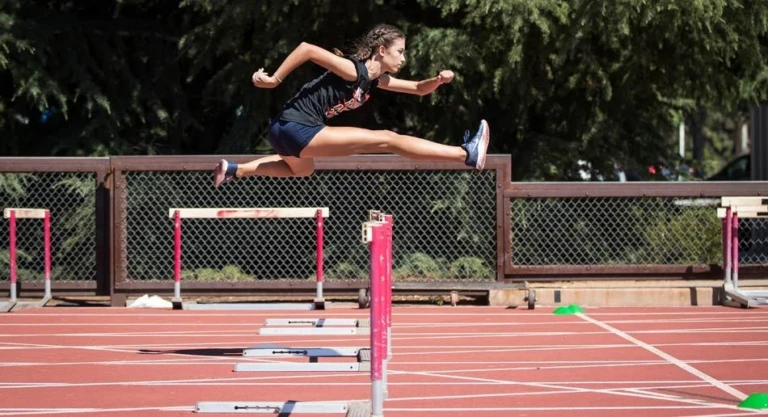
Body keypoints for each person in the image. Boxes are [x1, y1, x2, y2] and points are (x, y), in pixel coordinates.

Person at [214, 23, 489, 187]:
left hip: (282, 132)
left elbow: (418, 89)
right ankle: (466, 154)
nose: (403, 59)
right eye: (400, 52)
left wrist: (438, 80)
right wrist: (274, 79)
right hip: (298, 127)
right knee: (388, 139)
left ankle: (236, 170)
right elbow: (307, 49)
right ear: (382, 51)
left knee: (304, 170)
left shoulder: (374, 80)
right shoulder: (351, 70)